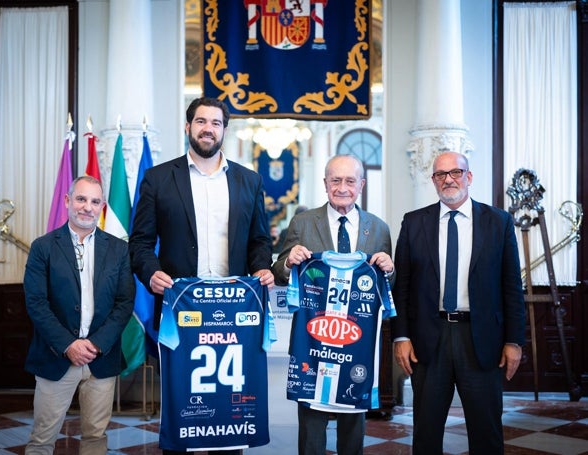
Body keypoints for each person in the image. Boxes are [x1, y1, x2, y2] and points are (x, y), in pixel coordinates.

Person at [129, 96, 274, 455]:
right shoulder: (158, 179)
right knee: (182, 406)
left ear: (224, 129)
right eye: (201, 121)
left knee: (231, 407)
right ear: (188, 126)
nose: (208, 129)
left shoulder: (249, 181)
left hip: (236, 312)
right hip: (181, 312)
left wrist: (261, 267)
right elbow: (140, 244)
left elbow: (259, 240)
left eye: (216, 123)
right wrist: (152, 273)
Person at [391, 151, 525, 454]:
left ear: (469, 177)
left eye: (456, 172)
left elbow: (511, 287)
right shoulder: (413, 223)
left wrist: (515, 341)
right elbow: (403, 287)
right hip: (428, 338)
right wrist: (401, 335)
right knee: (426, 431)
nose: (449, 179)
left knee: (487, 430)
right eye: (441, 174)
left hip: (481, 340)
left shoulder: (498, 222)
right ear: (433, 180)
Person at [272, 154, 395, 455]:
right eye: (335, 180)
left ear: (361, 185)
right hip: (312, 343)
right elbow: (278, 272)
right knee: (311, 428)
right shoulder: (302, 222)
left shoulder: (378, 229)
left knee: (353, 428)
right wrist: (289, 261)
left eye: (350, 181)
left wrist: (390, 270)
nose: (342, 187)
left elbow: (387, 286)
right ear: (325, 183)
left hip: (357, 346)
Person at [24, 175, 135, 454]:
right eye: (81, 199)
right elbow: (36, 303)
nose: (87, 207)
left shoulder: (120, 249)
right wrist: (68, 345)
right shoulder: (43, 247)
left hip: (101, 358)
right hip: (56, 356)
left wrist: (96, 344)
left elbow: (124, 302)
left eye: (95, 201)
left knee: (96, 437)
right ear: (67, 201)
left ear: (102, 207)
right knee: (41, 438)